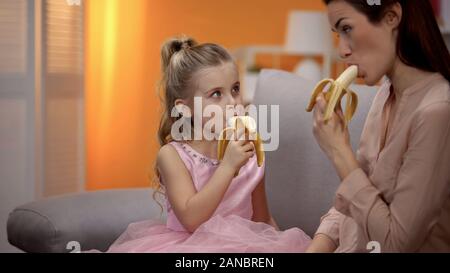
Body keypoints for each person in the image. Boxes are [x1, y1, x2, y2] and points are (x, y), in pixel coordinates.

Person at [103, 37, 311, 253]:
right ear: (185, 108)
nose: (232, 103)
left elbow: (262, 218)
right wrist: (228, 167)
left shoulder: (249, 151)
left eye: (235, 89)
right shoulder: (172, 156)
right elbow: (191, 219)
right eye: (216, 94)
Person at [307, 0, 450, 253]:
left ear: (391, 17)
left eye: (347, 29)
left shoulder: (436, 111)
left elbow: (395, 244)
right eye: (337, 34)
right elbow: (351, 205)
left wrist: (340, 152)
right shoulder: (385, 94)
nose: (342, 50)